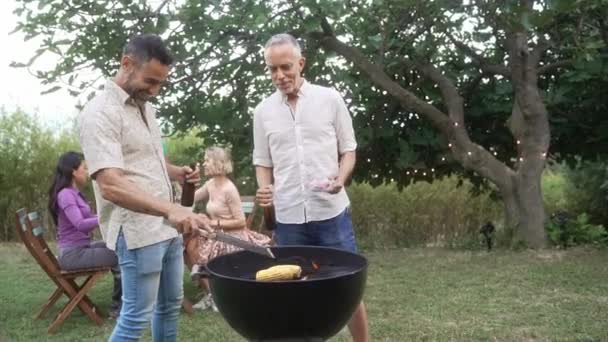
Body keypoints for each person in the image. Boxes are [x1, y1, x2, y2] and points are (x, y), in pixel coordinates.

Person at [78, 34, 211, 342]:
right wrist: (171, 209)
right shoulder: (99, 114)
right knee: (136, 317)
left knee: (169, 307)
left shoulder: (145, 107)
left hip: (166, 229)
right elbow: (110, 184)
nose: (155, 90)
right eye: (151, 81)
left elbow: (143, 158)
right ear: (127, 64)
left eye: (161, 83)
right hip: (138, 232)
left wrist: (177, 173)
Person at [253, 33, 370, 342]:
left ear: (301, 63)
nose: (279, 75)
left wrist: (341, 178)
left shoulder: (329, 99)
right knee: (293, 293)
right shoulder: (262, 112)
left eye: (286, 67)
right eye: (272, 69)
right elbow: (262, 161)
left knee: (348, 286)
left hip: (331, 212)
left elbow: (349, 149)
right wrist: (265, 188)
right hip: (289, 217)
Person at [186, 146, 271, 311]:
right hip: (215, 235)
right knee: (190, 248)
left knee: (199, 252)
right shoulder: (210, 184)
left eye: (207, 160)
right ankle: (213, 296)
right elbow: (190, 199)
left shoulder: (229, 189)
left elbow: (240, 221)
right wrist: (185, 185)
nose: (204, 163)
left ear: (218, 162)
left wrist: (214, 223)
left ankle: (222, 298)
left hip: (233, 237)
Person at [48, 151, 122, 318]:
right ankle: (118, 308)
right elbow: (81, 225)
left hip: (80, 248)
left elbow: (87, 219)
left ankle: (120, 304)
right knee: (120, 253)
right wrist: (104, 218)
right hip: (73, 254)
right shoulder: (66, 195)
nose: (87, 172)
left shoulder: (72, 193)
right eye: (84, 168)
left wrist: (105, 215)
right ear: (74, 171)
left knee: (116, 245)